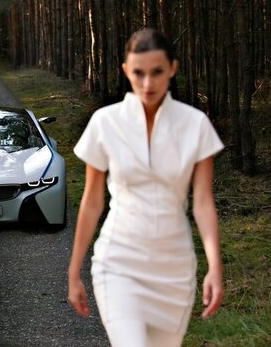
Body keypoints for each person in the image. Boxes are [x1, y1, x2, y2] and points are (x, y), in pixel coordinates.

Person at [67, 28, 224, 346]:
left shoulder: (195, 124)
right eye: (138, 73)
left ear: (173, 69)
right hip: (119, 263)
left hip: (174, 271)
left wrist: (215, 267)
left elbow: (203, 202)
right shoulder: (104, 122)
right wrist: (73, 272)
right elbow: (92, 202)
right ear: (126, 70)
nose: (148, 84)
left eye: (157, 72)